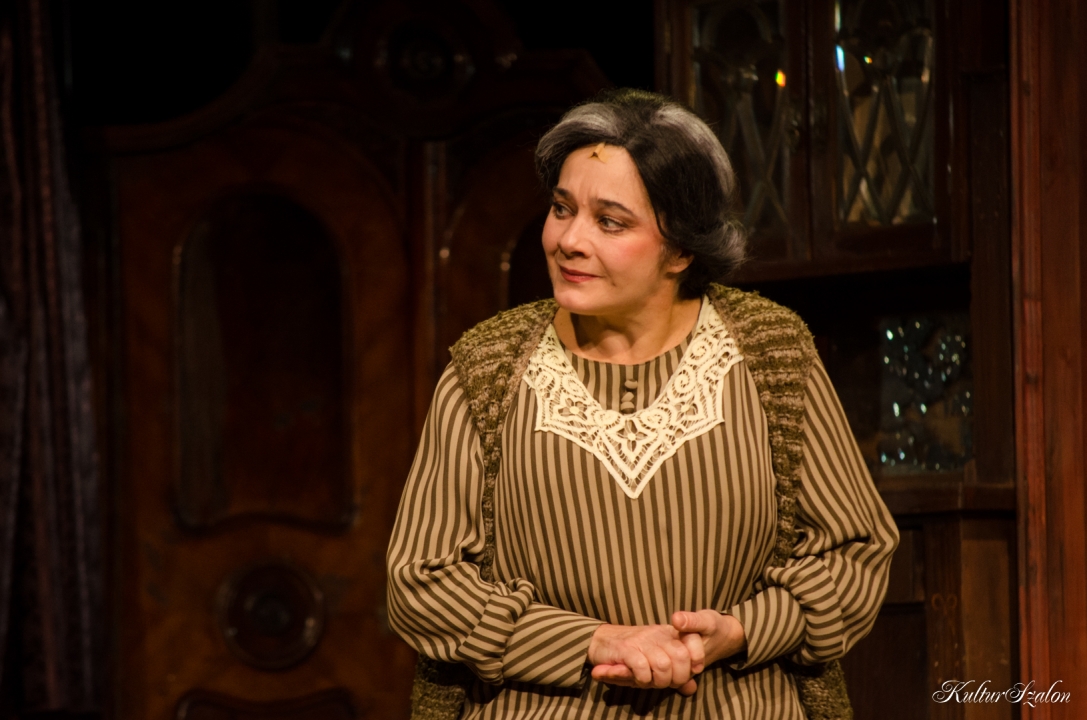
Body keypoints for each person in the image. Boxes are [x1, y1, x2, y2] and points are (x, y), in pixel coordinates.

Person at [386, 89, 899, 719]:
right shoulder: (488, 368)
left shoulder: (771, 355)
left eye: (610, 221)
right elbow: (421, 582)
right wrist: (593, 641)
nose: (569, 240)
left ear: (681, 250)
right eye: (561, 209)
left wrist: (742, 630)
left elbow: (855, 549)